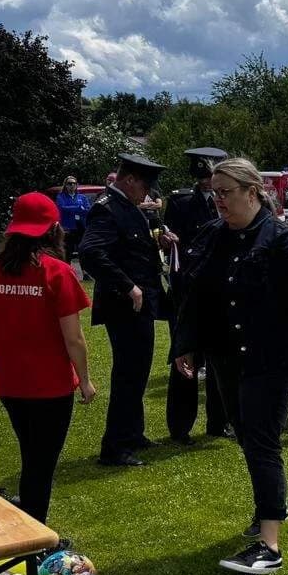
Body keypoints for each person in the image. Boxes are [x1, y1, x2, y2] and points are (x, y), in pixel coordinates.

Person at [173, 158, 288, 574]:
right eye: (214, 193)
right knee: (244, 432)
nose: (218, 200)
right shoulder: (213, 236)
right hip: (226, 353)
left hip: (273, 356)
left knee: (261, 440)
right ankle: (270, 505)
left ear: (252, 192)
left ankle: (270, 546)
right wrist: (186, 344)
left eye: (225, 192)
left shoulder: (282, 240)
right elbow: (196, 294)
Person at [0, 193, 94, 527]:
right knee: (40, 463)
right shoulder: (56, 271)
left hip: (10, 381)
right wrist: (85, 381)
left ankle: (29, 517)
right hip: (49, 385)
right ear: (54, 229)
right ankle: (36, 533)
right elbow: (74, 338)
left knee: (32, 454)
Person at [79, 152, 173, 466]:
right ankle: (115, 447)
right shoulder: (107, 209)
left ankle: (133, 433)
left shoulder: (128, 207)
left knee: (138, 371)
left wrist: (160, 244)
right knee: (128, 375)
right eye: (145, 186)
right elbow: (91, 252)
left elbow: (131, 248)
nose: (147, 194)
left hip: (140, 304)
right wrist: (127, 285)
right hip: (124, 305)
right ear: (130, 180)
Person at [164, 146, 229, 444]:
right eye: (203, 179)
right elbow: (175, 251)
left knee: (219, 358)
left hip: (219, 288)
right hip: (188, 290)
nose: (207, 184)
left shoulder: (225, 202)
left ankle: (219, 421)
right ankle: (180, 427)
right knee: (185, 357)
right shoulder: (181, 203)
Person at [55, 176, 92, 263]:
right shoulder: (61, 197)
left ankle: (85, 270)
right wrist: (78, 208)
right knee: (68, 252)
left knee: (83, 251)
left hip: (81, 227)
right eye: (69, 183)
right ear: (65, 185)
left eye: (74, 183)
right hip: (68, 227)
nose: (72, 185)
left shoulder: (82, 197)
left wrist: (73, 209)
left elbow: (87, 210)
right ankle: (67, 269)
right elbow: (63, 208)